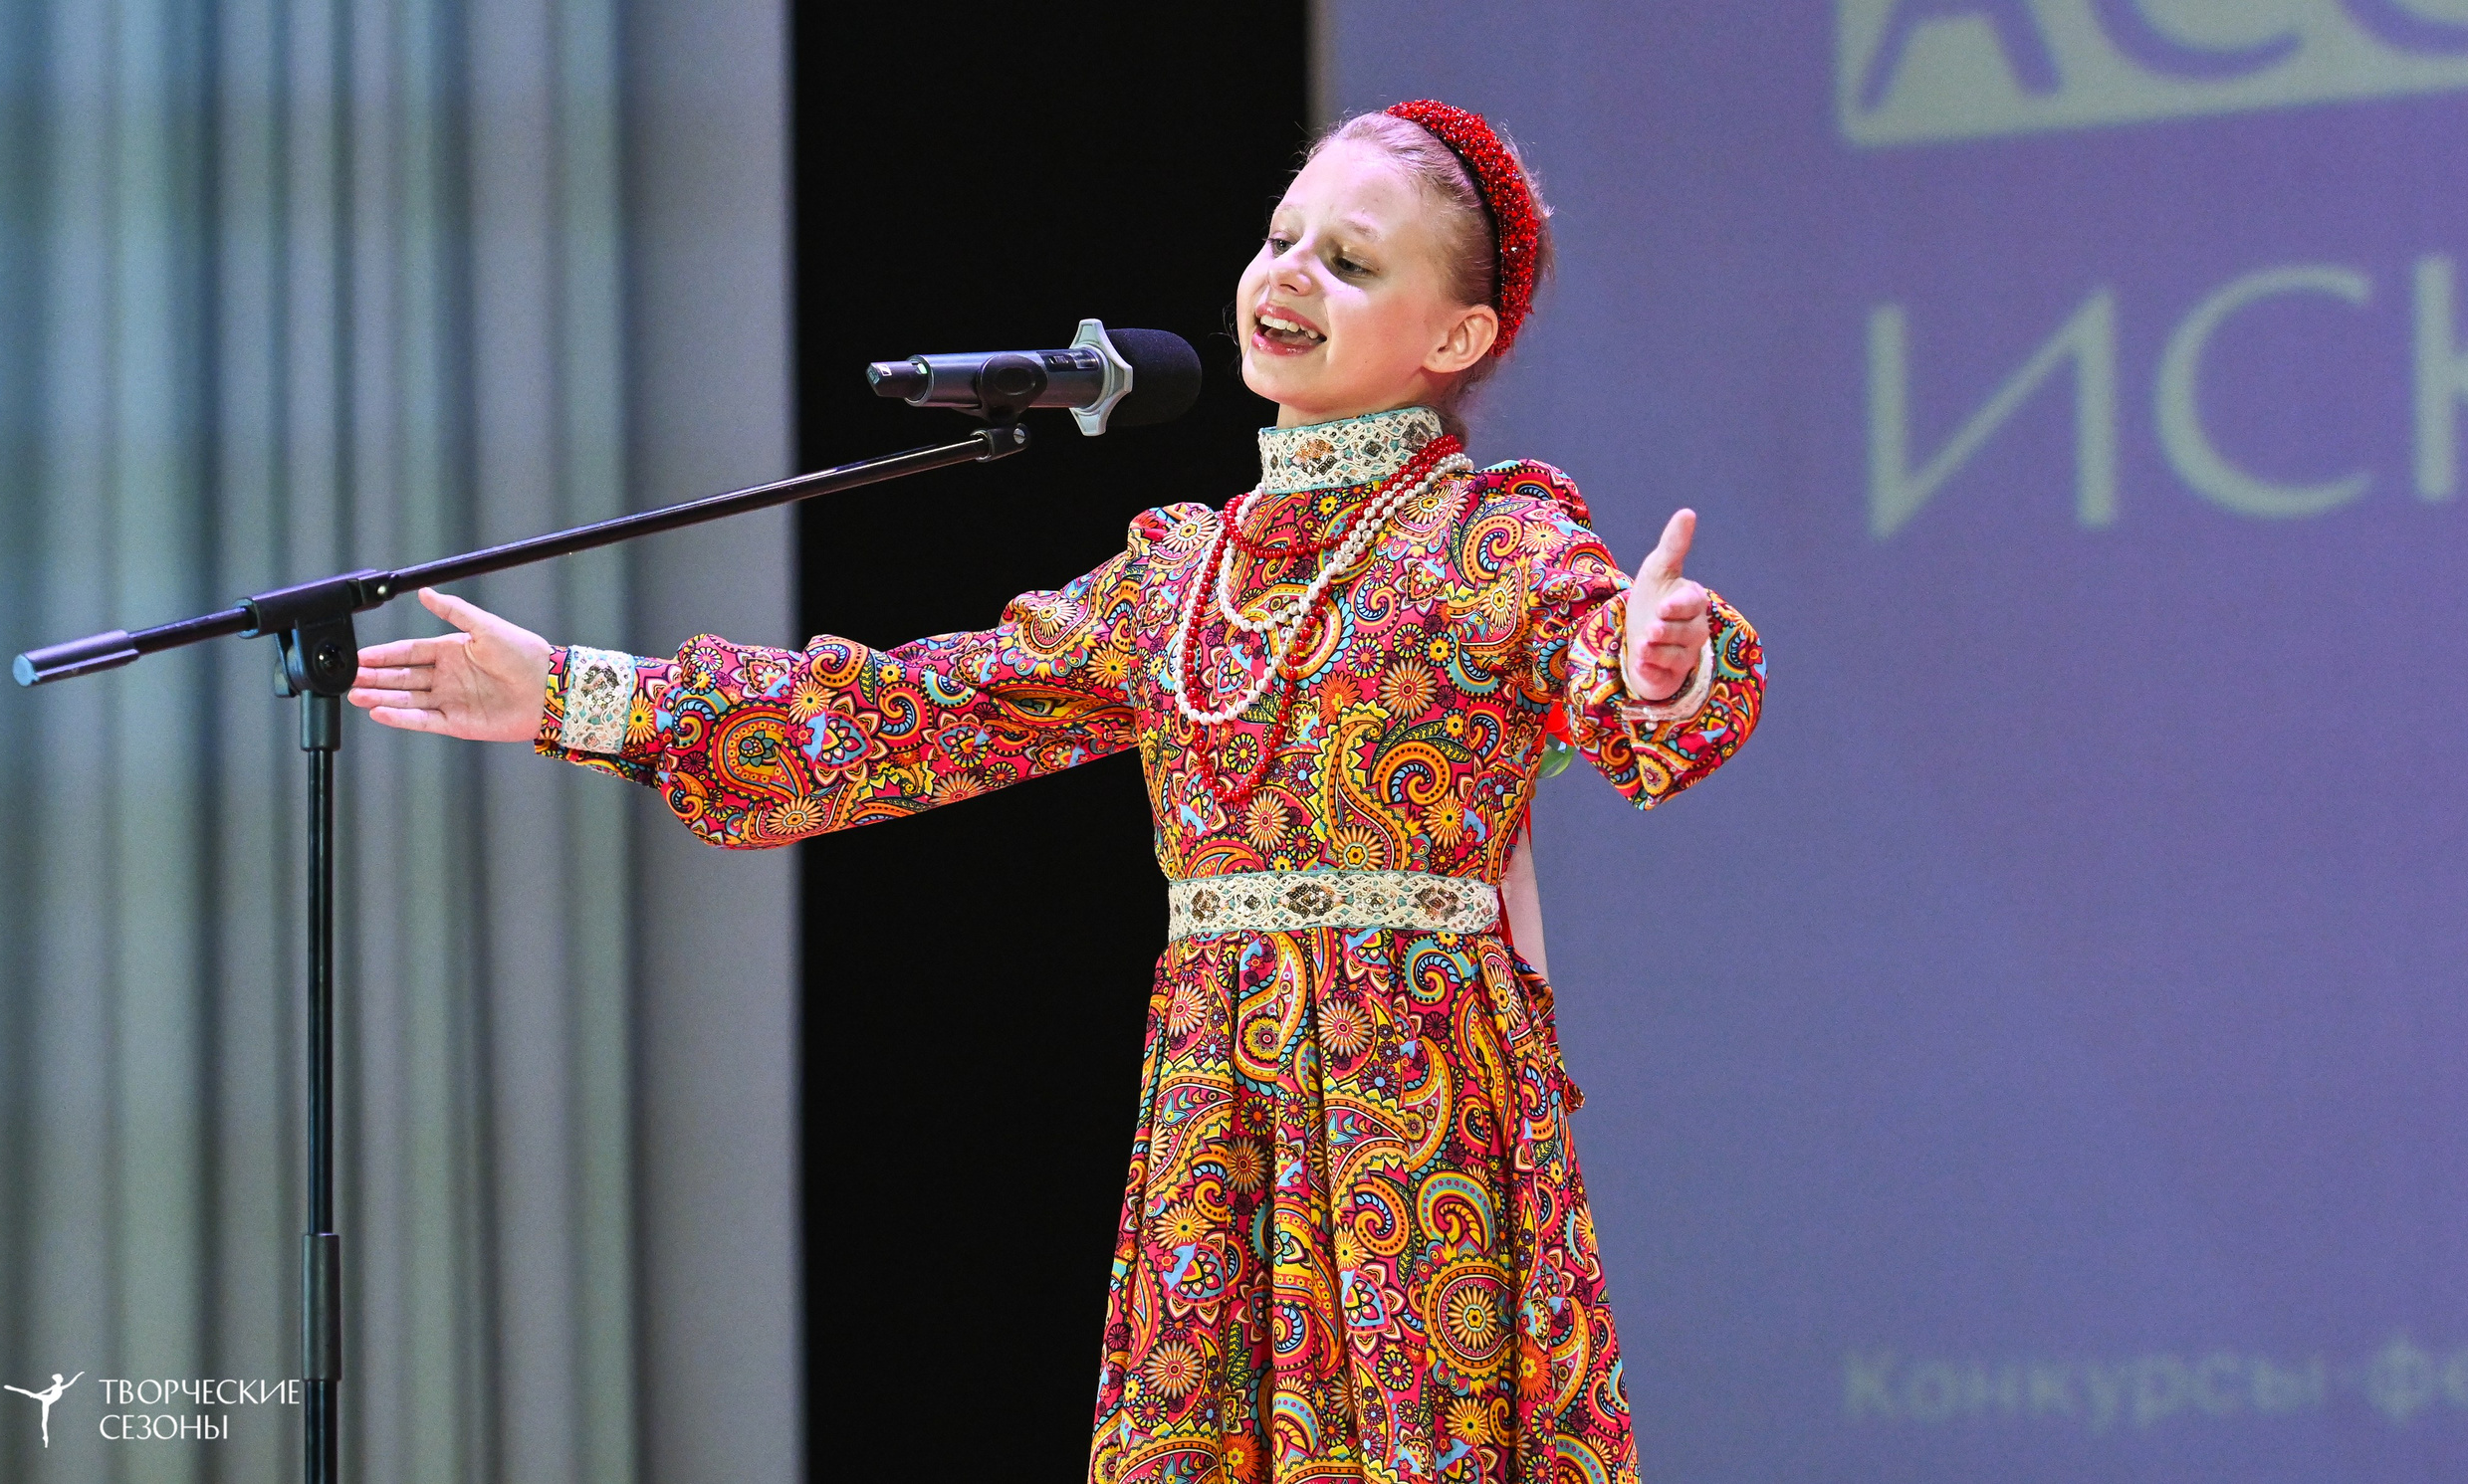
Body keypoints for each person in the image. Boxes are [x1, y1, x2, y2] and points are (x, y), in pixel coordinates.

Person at [348, 100, 1763, 1484]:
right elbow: (918, 711)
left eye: (1351, 261)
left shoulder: (1493, 539)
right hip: (1220, 1110)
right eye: (1284, 235)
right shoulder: (1180, 576)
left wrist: (1655, 662)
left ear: (1454, 339)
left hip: (1411, 1105)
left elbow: (1609, 665)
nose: (1288, 274)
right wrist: (582, 697)